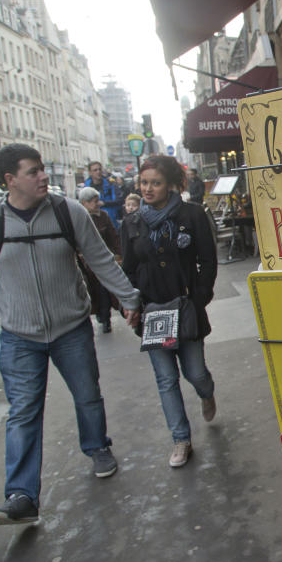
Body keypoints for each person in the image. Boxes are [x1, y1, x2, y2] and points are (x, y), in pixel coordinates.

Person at [0, 143, 141, 525]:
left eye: (43, 169)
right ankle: (21, 497)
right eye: (34, 171)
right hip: (18, 336)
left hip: (71, 328)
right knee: (24, 413)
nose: (43, 176)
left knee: (87, 396)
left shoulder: (68, 211)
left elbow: (99, 259)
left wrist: (128, 297)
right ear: (10, 180)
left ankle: (97, 448)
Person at [120, 155, 218, 468]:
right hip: (153, 313)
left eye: (155, 183)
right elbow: (129, 268)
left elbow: (208, 260)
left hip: (185, 307)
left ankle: (207, 392)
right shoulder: (132, 223)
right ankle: (180, 439)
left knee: (196, 373)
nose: (147, 189)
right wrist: (132, 302)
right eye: (144, 182)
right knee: (166, 380)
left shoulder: (192, 215)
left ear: (171, 184)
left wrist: (199, 296)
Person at [78, 187, 121, 333]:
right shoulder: (79, 218)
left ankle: (106, 318)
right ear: (84, 203)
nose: (98, 204)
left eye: (97, 200)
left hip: (104, 260)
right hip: (87, 264)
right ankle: (102, 316)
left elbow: (113, 236)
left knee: (106, 291)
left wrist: (119, 253)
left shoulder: (103, 216)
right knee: (96, 292)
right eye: (94, 201)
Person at [83, 161, 122, 229]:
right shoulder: (86, 188)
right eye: (95, 170)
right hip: (93, 223)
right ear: (90, 172)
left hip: (111, 221)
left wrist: (104, 203)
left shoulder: (111, 184)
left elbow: (119, 201)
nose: (98, 172)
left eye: (99, 169)